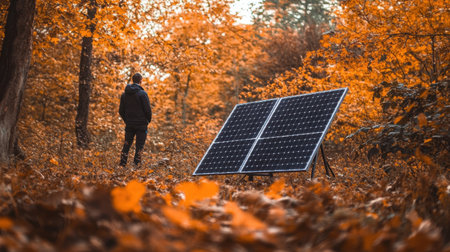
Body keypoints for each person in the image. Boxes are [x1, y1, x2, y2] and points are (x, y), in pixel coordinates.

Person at [119, 73, 152, 168]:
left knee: (126, 144)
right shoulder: (143, 94)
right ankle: (136, 166)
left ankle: (122, 165)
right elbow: (148, 110)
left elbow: (121, 111)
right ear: (141, 80)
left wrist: (127, 120)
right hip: (141, 125)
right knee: (139, 146)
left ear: (132, 80)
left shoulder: (124, 95)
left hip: (129, 124)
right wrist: (147, 120)